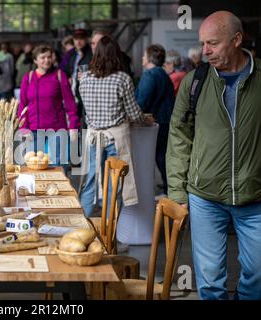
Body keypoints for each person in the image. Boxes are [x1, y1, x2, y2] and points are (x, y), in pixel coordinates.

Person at [167, 11, 261, 300]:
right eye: (202, 43)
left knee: (257, 275)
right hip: (204, 196)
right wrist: (177, 191)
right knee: (209, 281)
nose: (204, 51)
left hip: (254, 196)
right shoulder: (195, 82)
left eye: (213, 44)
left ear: (237, 39)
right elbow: (179, 137)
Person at [78, 36, 151, 216]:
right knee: (114, 183)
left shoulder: (84, 78)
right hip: (115, 138)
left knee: (91, 182)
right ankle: (109, 235)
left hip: (94, 137)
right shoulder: (122, 79)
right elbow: (133, 112)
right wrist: (144, 120)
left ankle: (82, 229)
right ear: (116, 55)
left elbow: (85, 107)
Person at [17, 45, 80, 169]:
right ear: (35, 60)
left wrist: (73, 126)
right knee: (33, 169)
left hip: (56, 131)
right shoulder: (28, 78)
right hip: (33, 131)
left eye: (49, 57)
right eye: (43, 57)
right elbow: (22, 105)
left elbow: (70, 103)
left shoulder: (59, 75)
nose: (47, 60)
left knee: (58, 168)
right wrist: (24, 127)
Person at [135, 44, 175, 195]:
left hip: (155, 123)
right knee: (163, 157)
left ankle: (160, 191)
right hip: (166, 121)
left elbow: (141, 102)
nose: (142, 58)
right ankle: (168, 189)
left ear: (150, 58)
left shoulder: (150, 75)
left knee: (154, 159)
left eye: (144, 55)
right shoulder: (164, 74)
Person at [66, 29, 93, 127]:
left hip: (87, 93)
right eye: (76, 39)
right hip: (73, 92)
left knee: (86, 122)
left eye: (81, 38)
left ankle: (85, 141)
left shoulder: (91, 54)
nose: (78, 41)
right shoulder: (72, 54)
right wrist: (68, 77)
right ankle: (76, 141)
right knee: (74, 121)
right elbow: (66, 69)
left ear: (86, 40)